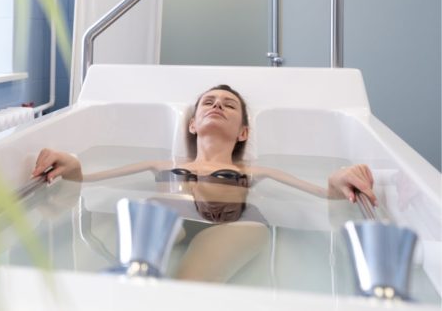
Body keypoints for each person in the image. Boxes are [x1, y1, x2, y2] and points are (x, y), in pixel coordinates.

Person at [30, 84, 376, 282]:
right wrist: (73, 165)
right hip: (167, 214)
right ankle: (131, 282)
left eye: (229, 105)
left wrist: (337, 179)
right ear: (193, 124)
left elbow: (322, 195)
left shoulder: (254, 171)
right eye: (208, 102)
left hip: (235, 222)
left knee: (189, 287)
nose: (217, 106)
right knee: (145, 228)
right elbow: (87, 184)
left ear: (243, 132)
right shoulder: (163, 166)